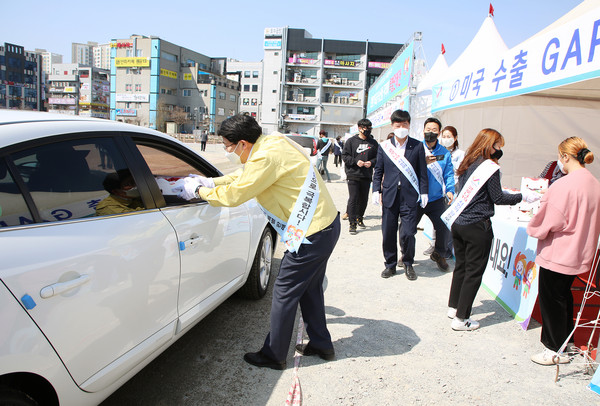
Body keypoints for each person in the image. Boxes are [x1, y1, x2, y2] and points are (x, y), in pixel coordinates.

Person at [176, 114, 340, 370]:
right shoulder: (272, 143)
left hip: (310, 234)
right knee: (310, 289)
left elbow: (234, 194)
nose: (227, 151)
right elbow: (243, 176)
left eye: (228, 146)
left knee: (284, 293)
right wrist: (210, 181)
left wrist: (198, 191)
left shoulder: (265, 157)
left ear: (243, 143)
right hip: (324, 226)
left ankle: (274, 355)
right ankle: (321, 343)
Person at [444, 128, 540, 331]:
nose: (499, 150)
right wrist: (522, 196)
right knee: (474, 272)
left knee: (460, 267)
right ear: (490, 146)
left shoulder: (468, 162)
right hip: (478, 225)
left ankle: (454, 307)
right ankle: (462, 319)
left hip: (459, 223)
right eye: (498, 146)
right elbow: (498, 198)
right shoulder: (490, 168)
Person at [527, 137, 600, 365]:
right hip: (581, 251)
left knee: (552, 300)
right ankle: (565, 342)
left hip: (559, 252)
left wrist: (533, 225)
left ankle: (553, 348)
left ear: (565, 156)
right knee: (564, 297)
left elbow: (547, 221)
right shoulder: (594, 183)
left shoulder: (563, 185)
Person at [372, 110, 428, 281]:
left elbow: (422, 173)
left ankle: (408, 263)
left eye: (405, 125)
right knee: (388, 232)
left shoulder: (417, 146)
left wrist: (424, 191)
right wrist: (376, 190)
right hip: (389, 195)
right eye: (398, 125)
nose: (401, 128)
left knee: (409, 233)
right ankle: (390, 265)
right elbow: (378, 170)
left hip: (409, 196)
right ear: (392, 126)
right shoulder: (384, 146)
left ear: (409, 125)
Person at [413, 117, 455, 272]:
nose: (430, 133)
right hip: (417, 198)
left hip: (436, 198)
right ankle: (406, 255)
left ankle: (440, 254)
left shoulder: (444, 153)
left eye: (434, 130)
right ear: (423, 130)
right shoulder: (416, 148)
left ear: (439, 133)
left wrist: (450, 190)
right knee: (407, 228)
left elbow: (449, 173)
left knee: (443, 227)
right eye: (428, 129)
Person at [424, 125, 465, 256]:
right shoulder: (435, 151)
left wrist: (450, 189)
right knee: (438, 222)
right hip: (435, 191)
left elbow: (453, 173)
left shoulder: (459, 154)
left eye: (449, 137)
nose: (446, 139)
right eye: (445, 136)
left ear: (455, 138)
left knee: (446, 221)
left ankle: (445, 249)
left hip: (452, 190)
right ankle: (434, 245)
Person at [342, 118, 379, 234]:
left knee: (363, 199)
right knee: (353, 198)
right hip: (353, 174)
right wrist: (355, 161)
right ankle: (352, 223)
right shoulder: (351, 141)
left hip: (366, 175)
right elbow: (345, 156)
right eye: (365, 128)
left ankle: (360, 217)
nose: (368, 130)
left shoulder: (373, 143)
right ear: (359, 128)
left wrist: (371, 163)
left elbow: (378, 158)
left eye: (370, 128)